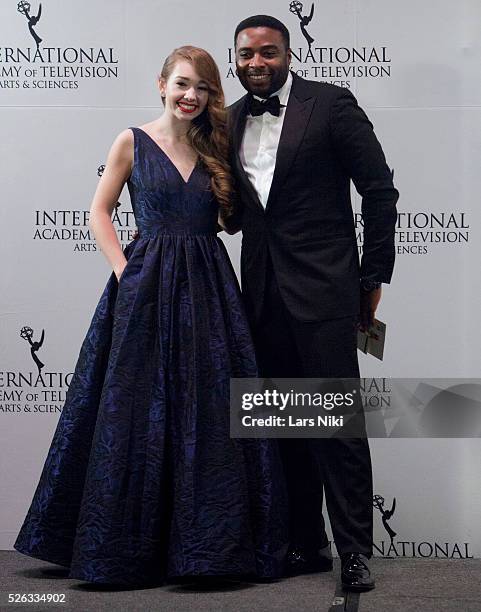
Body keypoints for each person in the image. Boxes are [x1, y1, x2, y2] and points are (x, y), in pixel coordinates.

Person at [14, 45, 288, 586]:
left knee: (208, 408)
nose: (191, 96)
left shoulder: (219, 146)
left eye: (203, 88)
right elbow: (100, 208)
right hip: (144, 286)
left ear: (212, 95)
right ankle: (122, 550)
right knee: (130, 410)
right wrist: (124, 271)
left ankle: (207, 550)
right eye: (183, 84)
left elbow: (232, 221)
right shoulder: (131, 141)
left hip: (209, 287)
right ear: (161, 84)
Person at [228, 15, 399, 591]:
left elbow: (379, 190)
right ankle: (306, 541)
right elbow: (233, 212)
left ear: (288, 54)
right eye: (247, 54)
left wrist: (372, 277)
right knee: (282, 422)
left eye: (268, 53)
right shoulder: (225, 121)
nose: (257, 63)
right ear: (235, 58)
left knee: (335, 426)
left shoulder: (330, 104)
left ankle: (355, 551)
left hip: (325, 290)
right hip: (260, 293)